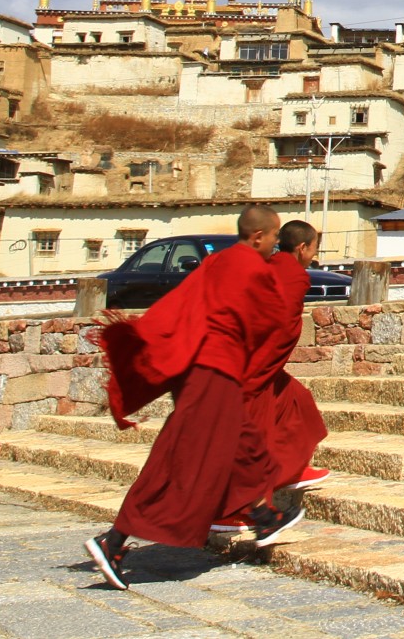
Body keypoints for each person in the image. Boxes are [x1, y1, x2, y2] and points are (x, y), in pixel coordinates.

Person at [84, 206, 293, 589]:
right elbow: (270, 320)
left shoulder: (218, 262)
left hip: (201, 368)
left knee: (242, 441)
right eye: (275, 237)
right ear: (258, 236)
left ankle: (263, 516)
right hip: (215, 369)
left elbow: (184, 307)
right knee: (177, 457)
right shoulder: (249, 267)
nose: (277, 244)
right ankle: (112, 541)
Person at [217, 219, 330, 532]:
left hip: (262, 365)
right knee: (255, 433)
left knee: (298, 401)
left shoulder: (276, 267)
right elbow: (274, 326)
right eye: (314, 250)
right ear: (303, 247)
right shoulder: (287, 274)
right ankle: (231, 510)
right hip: (252, 369)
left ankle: (292, 470)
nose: (313, 257)